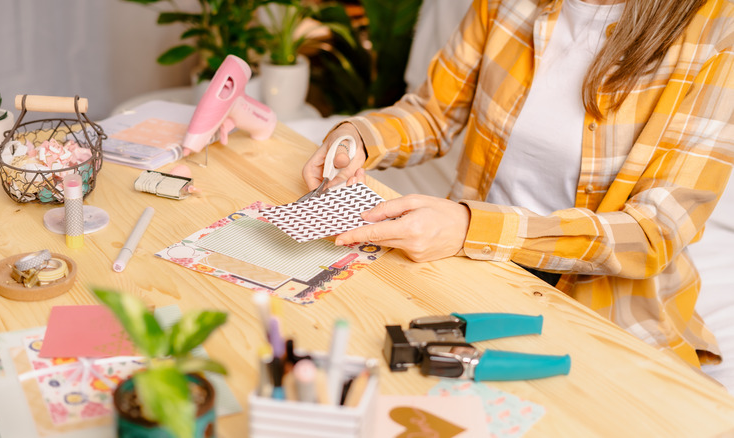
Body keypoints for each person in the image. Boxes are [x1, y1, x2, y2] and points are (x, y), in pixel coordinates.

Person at [302, 0, 734, 368]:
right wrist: (358, 137)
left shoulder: (716, 27)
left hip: (605, 307)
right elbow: (433, 113)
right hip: (467, 257)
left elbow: (654, 231)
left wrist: (472, 227)